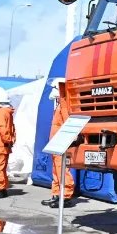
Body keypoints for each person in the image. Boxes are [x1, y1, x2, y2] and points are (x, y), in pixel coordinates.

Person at [42, 78, 75, 208]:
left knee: (62, 170)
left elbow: (68, 124)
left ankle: (65, 196)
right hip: (56, 143)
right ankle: (57, 194)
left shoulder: (65, 105)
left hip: (62, 144)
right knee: (56, 170)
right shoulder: (60, 105)